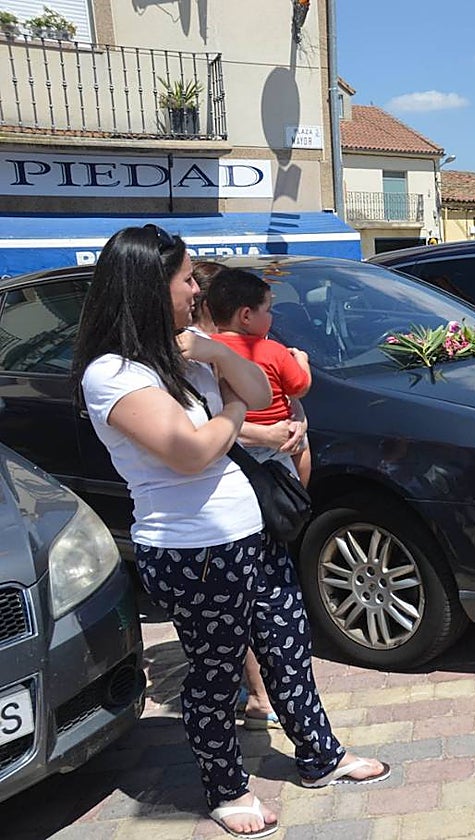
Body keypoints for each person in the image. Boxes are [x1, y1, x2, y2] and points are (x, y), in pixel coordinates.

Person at [71, 226, 387, 839]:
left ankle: (321, 756)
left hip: (251, 532)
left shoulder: (187, 350)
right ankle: (227, 789)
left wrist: (216, 356)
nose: (197, 290)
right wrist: (236, 413)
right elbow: (192, 451)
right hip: (193, 550)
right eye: (187, 279)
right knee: (215, 674)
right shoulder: (113, 374)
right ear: (149, 287)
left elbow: (263, 387)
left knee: (288, 649)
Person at [191, 261, 309, 732]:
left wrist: (295, 421)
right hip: (229, 495)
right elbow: (208, 425)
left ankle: (268, 696)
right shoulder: (199, 356)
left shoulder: (216, 350)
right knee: (250, 597)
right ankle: (262, 696)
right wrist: (270, 431)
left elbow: (280, 398)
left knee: (262, 592)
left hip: (256, 482)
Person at [201, 267, 313, 484]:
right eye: (268, 310)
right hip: (277, 444)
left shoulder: (206, 349)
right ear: (246, 315)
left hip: (231, 446)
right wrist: (302, 361)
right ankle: (300, 495)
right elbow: (300, 387)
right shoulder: (273, 350)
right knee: (301, 448)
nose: (272, 316)